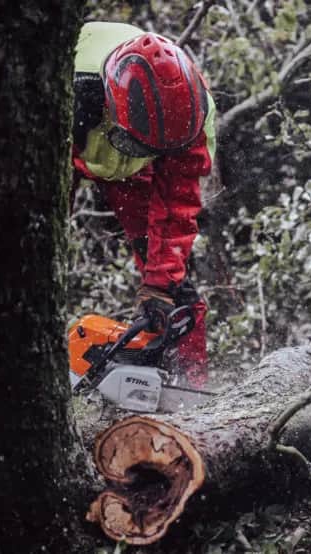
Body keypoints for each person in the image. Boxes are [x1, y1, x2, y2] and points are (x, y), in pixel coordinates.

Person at [72, 21, 216, 388]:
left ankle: (188, 389)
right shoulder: (69, 91)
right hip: (74, 152)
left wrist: (160, 285)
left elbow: (178, 204)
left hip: (139, 171)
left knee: (177, 293)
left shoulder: (192, 117)